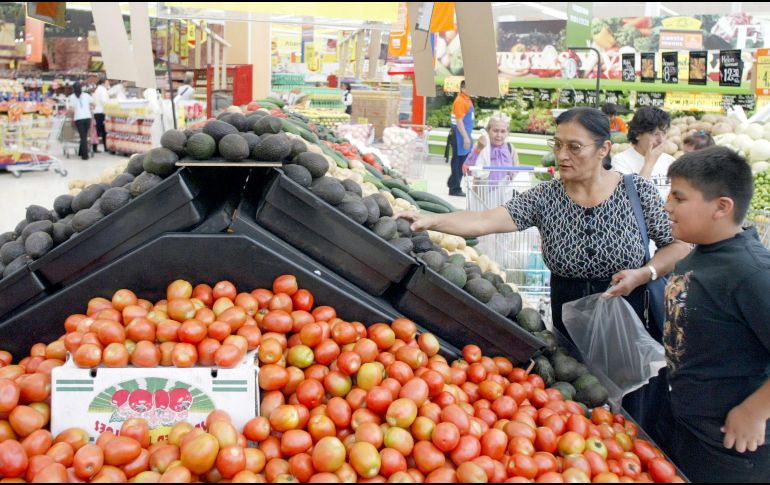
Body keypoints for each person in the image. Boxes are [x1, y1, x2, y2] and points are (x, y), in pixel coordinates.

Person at [397, 107, 691, 438]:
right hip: (571, 321)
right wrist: (430, 219)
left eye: (574, 147)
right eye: (558, 145)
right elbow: (484, 220)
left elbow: (679, 245)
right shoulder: (547, 197)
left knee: (637, 411)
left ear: (603, 149)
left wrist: (645, 272)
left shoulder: (636, 191)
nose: (562, 156)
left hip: (630, 318)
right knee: (583, 406)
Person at [662, 146, 770, 482]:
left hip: (732, 445)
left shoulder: (751, 273)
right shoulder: (699, 254)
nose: (667, 205)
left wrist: (754, 411)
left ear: (722, 207)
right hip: (691, 427)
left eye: (679, 198)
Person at [611, 107, 675, 180]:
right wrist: (649, 164)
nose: (661, 140)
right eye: (655, 134)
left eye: (664, 133)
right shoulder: (621, 161)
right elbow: (633, 188)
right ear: (638, 134)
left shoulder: (670, 161)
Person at [462, 113, 520, 186]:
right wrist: (478, 149)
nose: (499, 135)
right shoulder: (481, 146)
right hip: (482, 192)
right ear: (488, 131)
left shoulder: (510, 148)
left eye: (503, 131)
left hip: (506, 192)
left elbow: (516, 172)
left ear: (507, 133)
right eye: (495, 131)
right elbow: (466, 172)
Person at [448, 80, 474, 197]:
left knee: (461, 161)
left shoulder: (467, 99)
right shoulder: (460, 101)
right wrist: (465, 138)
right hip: (459, 136)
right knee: (458, 163)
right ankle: (454, 189)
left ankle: (452, 183)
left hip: (463, 135)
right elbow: (459, 121)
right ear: (463, 89)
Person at [67, 82, 94, 161]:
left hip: (78, 118)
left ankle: (85, 155)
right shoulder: (86, 95)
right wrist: (88, 108)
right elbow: (93, 103)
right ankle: (81, 152)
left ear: (73, 89)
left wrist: (73, 111)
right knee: (84, 135)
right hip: (87, 118)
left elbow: (71, 109)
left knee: (83, 136)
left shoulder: (72, 97)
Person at [92, 78, 110, 153]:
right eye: (107, 83)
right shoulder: (103, 90)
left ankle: (96, 147)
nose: (108, 84)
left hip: (97, 112)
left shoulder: (98, 89)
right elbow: (104, 101)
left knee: (99, 130)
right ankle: (103, 147)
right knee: (102, 131)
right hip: (101, 112)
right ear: (103, 83)